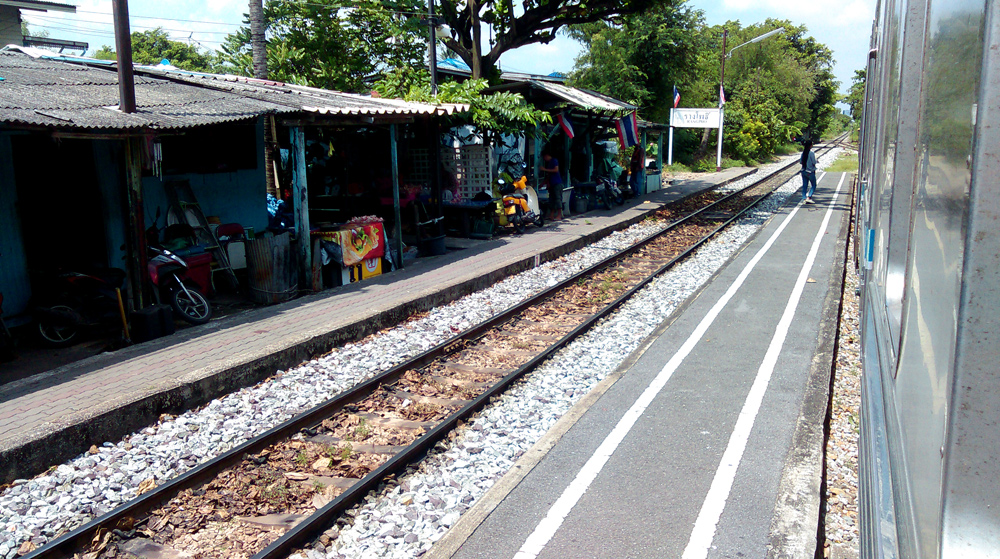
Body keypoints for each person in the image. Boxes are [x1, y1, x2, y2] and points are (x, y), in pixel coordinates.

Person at [541, 152, 563, 220]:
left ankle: (559, 215)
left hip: (557, 183)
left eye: (544, 157)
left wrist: (544, 169)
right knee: (552, 200)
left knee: (557, 199)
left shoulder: (554, 160)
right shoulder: (549, 163)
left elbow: (556, 170)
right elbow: (548, 176)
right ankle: (551, 215)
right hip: (552, 184)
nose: (544, 159)